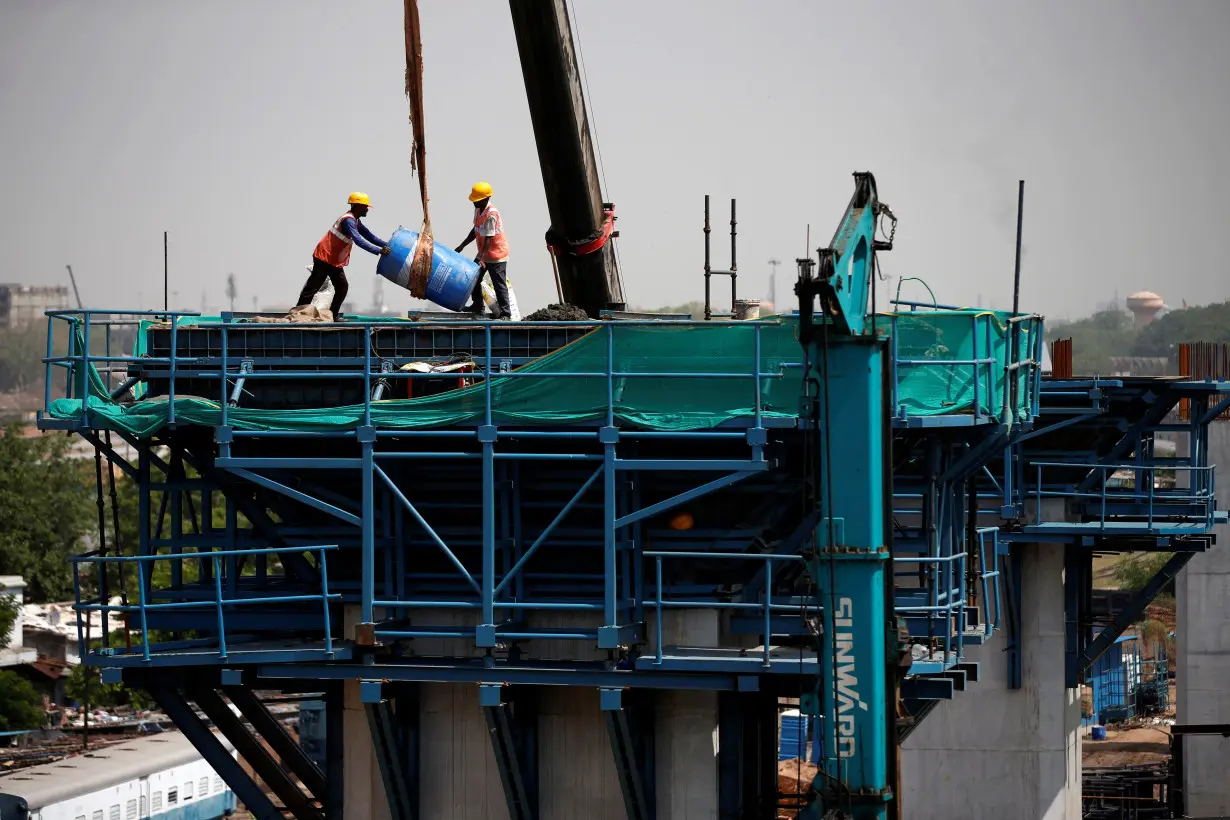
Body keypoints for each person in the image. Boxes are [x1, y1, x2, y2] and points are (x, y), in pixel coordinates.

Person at [295, 192, 390, 320]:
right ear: (356, 206)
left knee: (342, 287)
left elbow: (369, 236)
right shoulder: (348, 221)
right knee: (313, 286)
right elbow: (359, 240)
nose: (367, 209)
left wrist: (389, 245)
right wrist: (379, 250)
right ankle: (297, 314)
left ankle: (333, 316)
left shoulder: (355, 221)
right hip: (324, 257)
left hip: (332, 260)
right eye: (365, 206)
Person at [455, 181, 511, 318]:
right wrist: (462, 245)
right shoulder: (478, 210)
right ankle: (478, 306)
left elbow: (488, 237)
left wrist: (481, 257)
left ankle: (506, 313)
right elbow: (475, 230)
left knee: (499, 283)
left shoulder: (492, 214)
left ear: (486, 199)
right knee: (474, 278)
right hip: (484, 253)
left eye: (477, 200)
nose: (474, 203)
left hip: (496, 254)